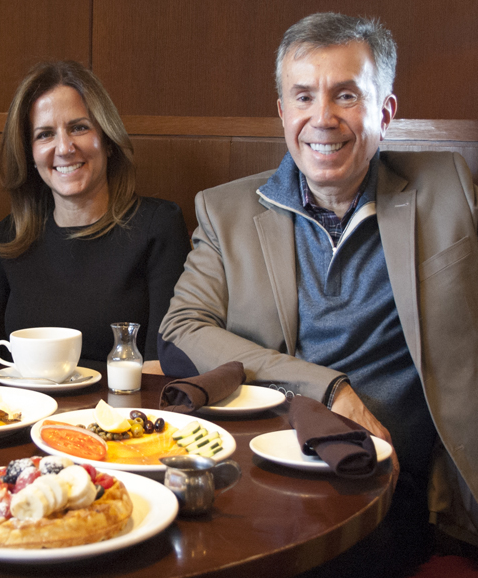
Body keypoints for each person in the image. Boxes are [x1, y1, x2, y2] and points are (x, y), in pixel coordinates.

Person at [158, 12, 478, 575]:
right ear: (283, 112)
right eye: (303, 96)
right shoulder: (225, 211)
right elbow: (182, 330)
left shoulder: (449, 189)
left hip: (401, 492)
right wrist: (328, 390)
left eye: (346, 95)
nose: (322, 118)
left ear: (385, 112)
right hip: (266, 480)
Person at [0, 61, 189, 367]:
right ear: (29, 154)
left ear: (107, 139)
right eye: (45, 134)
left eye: (79, 127)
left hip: (117, 412)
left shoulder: (158, 226)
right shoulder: (8, 239)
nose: (64, 148)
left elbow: (161, 368)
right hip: (22, 411)